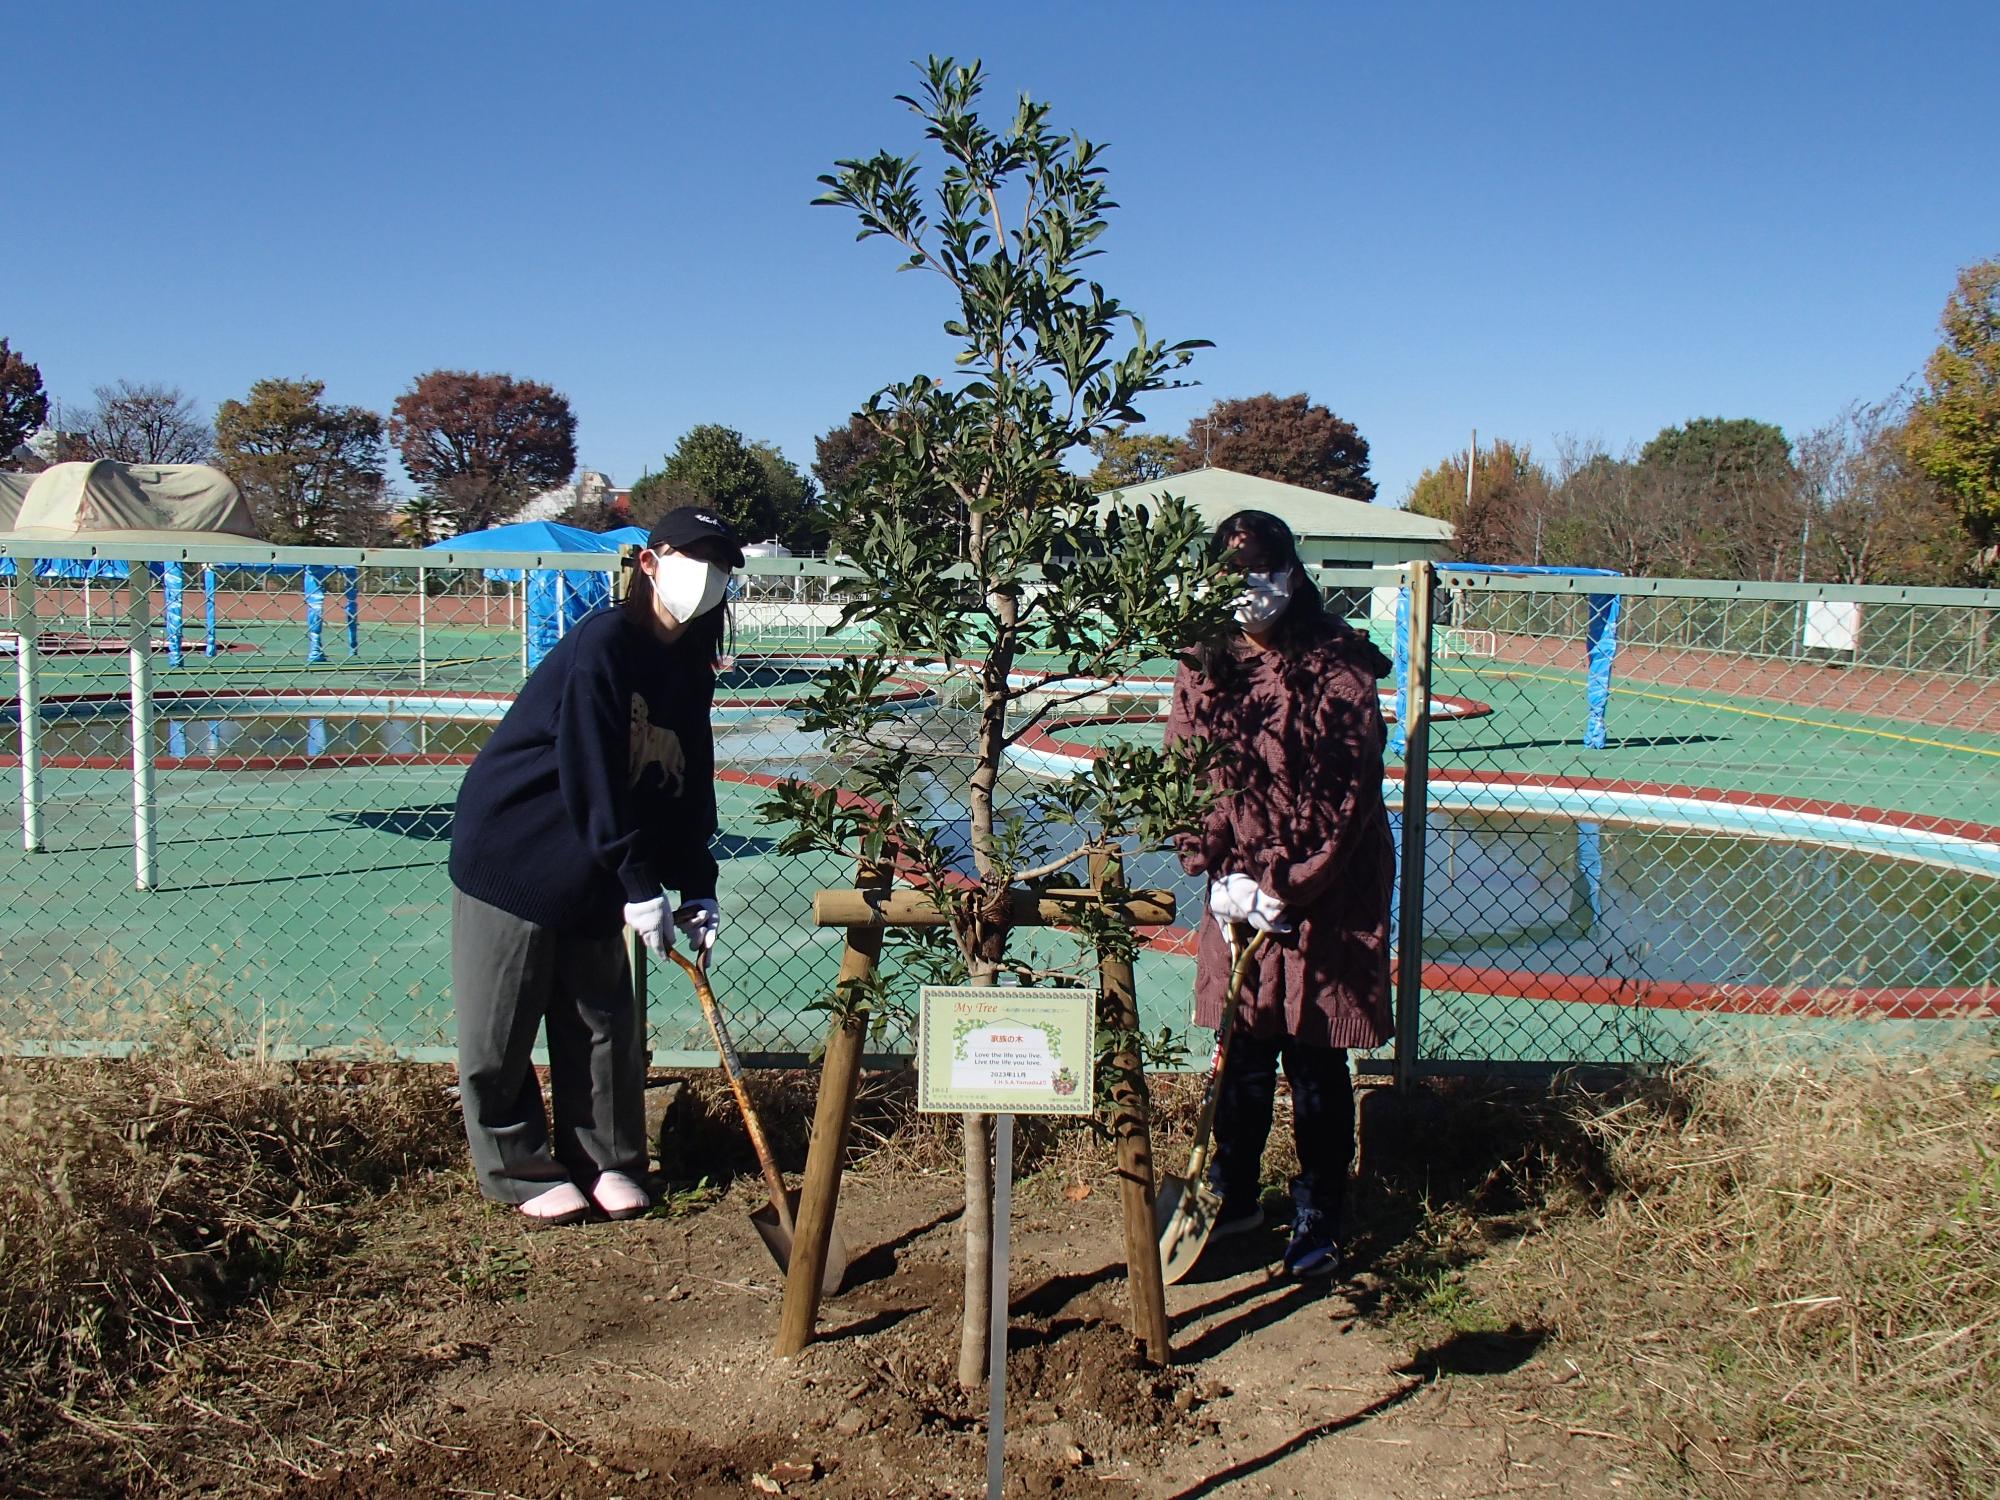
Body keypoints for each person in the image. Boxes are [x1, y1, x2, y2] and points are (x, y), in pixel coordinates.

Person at [448, 506, 744, 1227]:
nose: (706, 576)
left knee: (601, 1017)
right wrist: (640, 883)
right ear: (649, 562)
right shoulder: (603, 644)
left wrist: (695, 876)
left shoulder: (690, 663)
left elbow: (685, 776)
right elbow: (591, 773)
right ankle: (517, 1167)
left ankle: (608, 1158)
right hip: (519, 851)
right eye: (693, 557)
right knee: (503, 1022)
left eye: (721, 565)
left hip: (597, 863)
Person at [1164, 509, 1395, 1278]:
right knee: (1245, 1040)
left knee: (1315, 1050)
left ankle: (1320, 1206)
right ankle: (1233, 1197)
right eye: (1230, 577)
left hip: (1330, 884)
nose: (1248, 592)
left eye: (1262, 573)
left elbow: (1347, 793)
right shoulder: (1203, 659)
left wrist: (1289, 886)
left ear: (1291, 575)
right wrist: (1214, 867)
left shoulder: (1337, 664)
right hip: (1237, 887)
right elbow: (1184, 768)